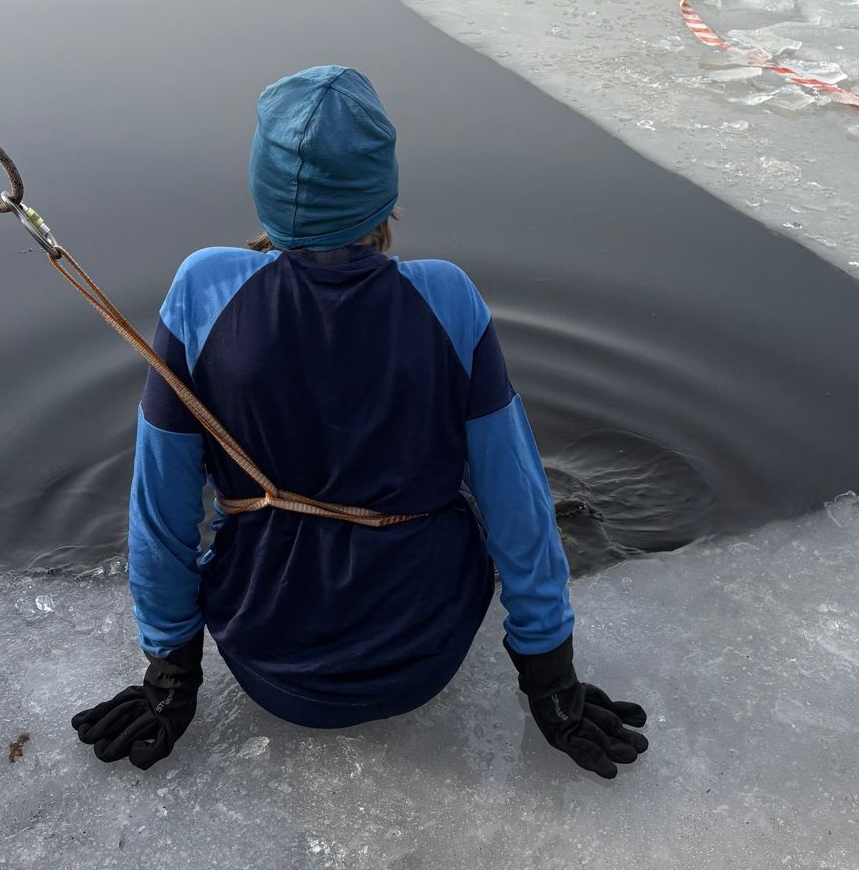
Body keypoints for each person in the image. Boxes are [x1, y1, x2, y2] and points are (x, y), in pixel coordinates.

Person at [73, 65, 647, 779]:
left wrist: (171, 671)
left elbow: (160, 507)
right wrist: (549, 676)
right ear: (384, 190)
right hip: (423, 657)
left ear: (265, 185)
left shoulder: (201, 290)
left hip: (270, 664)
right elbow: (518, 505)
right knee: (478, 474)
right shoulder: (447, 299)